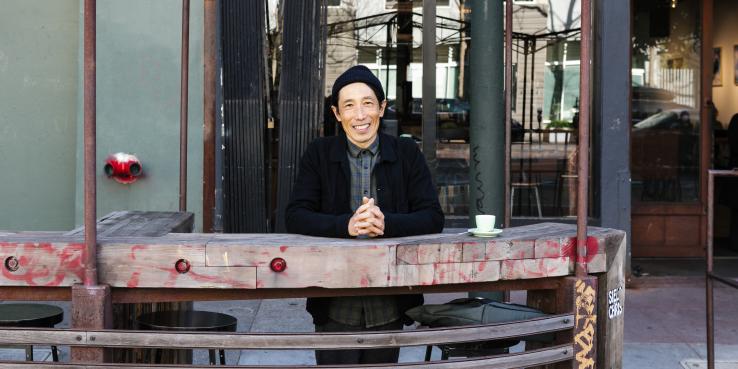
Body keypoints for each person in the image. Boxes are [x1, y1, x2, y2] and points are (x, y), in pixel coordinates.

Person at [285, 65, 444, 364]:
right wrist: (344, 225)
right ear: (336, 114)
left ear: (381, 108)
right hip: (332, 299)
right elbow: (295, 215)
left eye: (368, 103)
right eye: (349, 105)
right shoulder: (318, 153)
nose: (359, 115)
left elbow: (433, 217)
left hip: (389, 300)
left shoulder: (406, 153)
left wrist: (388, 223)